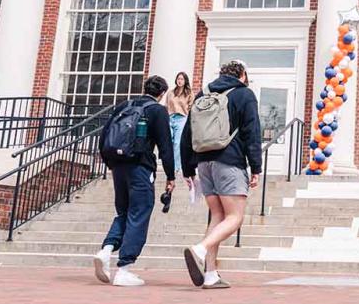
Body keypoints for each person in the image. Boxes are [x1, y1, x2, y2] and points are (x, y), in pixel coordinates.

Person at [180, 60, 262, 289]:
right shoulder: (244, 94)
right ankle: (199, 248)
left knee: (217, 216)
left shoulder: (202, 94)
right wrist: (256, 167)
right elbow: (252, 131)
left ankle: (211, 274)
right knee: (235, 218)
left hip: (204, 162)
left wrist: (187, 169)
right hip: (230, 161)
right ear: (243, 75)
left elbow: (188, 133)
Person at [93, 75, 175, 287]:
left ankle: (107, 249)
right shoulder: (157, 110)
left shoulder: (124, 105)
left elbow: (104, 138)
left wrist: (111, 164)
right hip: (140, 167)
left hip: (118, 166)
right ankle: (124, 268)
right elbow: (165, 146)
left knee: (124, 212)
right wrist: (171, 175)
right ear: (162, 93)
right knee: (139, 213)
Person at [161, 71, 193, 175]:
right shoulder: (170, 92)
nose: (180, 81)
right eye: (178, 79)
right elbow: (166, 105)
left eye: (182, 79)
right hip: (170, 117)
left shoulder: (189, 93)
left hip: (181, 118)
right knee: (169, 141)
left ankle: (176, 167)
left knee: (177, 143)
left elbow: (191, 107)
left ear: (185, 81)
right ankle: (168, 164)